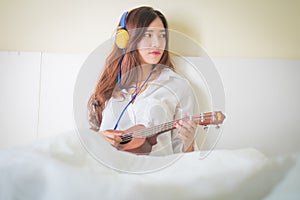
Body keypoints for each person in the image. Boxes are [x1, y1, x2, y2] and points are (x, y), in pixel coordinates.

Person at [88, 6, 199, 156]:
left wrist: (189, 142)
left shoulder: (178, 86)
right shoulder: (110, 84)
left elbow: (183, 157)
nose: (157, 43)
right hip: (109, 170)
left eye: (162, 36)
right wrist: (99, 138)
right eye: (148, 35)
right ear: (128, 39)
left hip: (155, 174)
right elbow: (91, 140)